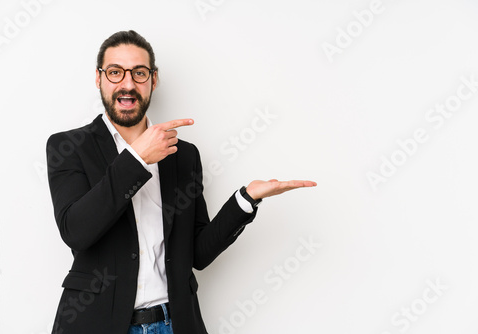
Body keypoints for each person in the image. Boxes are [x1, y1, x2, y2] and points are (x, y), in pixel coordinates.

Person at [46, 30, 316, 334]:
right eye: (114, 72)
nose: (128, 84)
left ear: (153, 79)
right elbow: (76, 231)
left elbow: (197, 254)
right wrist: (137, 159)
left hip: (174, 323)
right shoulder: (68, 147)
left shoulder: (183, 155)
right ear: (99, 79)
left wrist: (245, 200)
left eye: (139, 73)